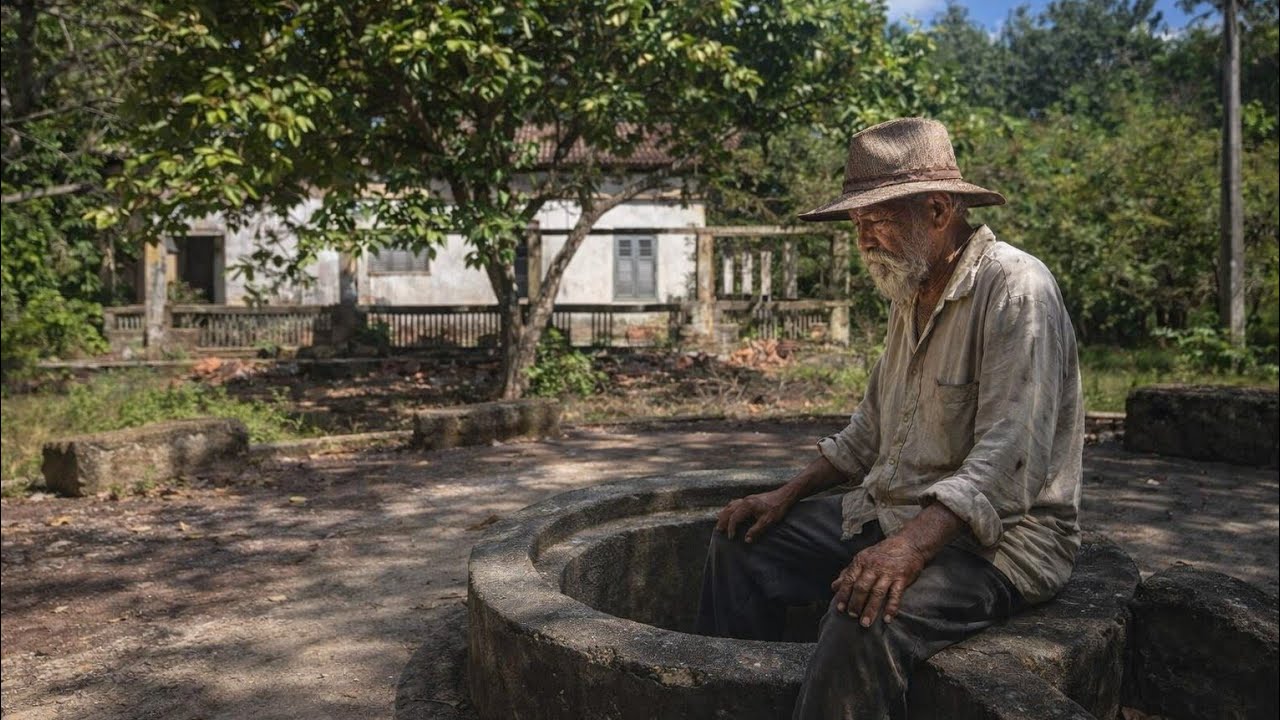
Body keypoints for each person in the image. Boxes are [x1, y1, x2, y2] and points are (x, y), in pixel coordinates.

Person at [695, 117, 1084, 720]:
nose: (863, 241)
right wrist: (783, 495)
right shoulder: (913, 290)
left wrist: (907, 548)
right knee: (742, 546)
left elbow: (1008, 459)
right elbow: (868, 433)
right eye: (857, 224)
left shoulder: (1014, 286)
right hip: (898, 511)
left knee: (862, 622)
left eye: (875, 220)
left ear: (936, 209)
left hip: (1002, 543)